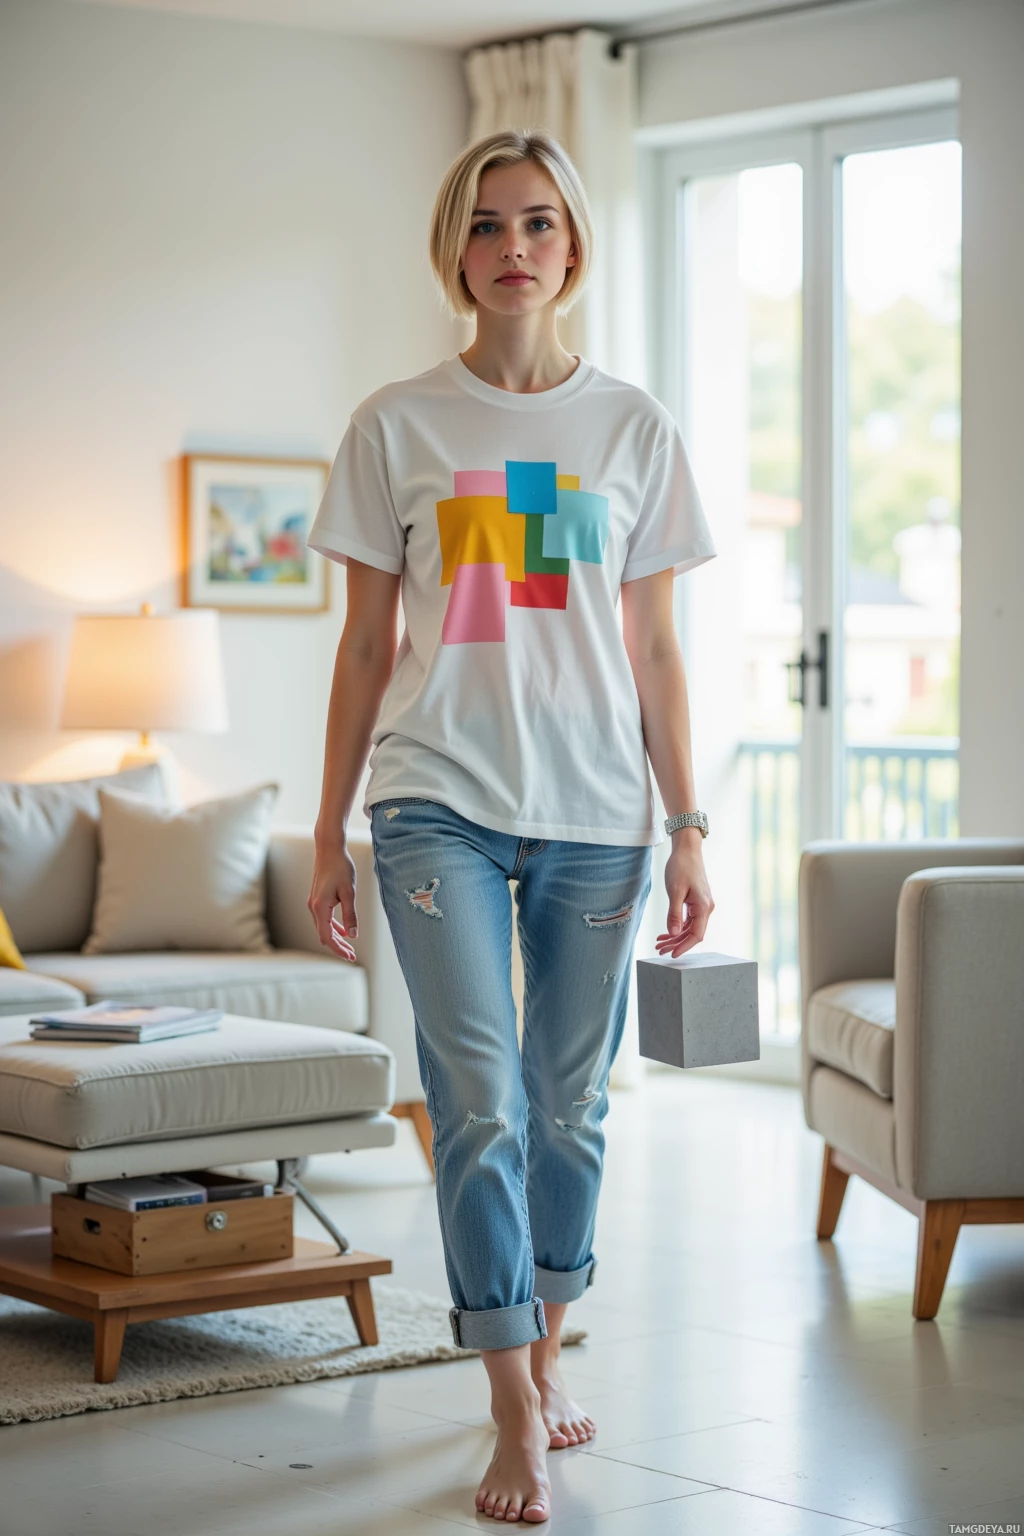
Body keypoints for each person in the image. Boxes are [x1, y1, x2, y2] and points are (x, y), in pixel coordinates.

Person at [306, 128, 716, 1526]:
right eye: (488, 226)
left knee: (571, 1110)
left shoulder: (633, 428)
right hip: (438, 807)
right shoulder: (394, 425)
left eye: (539, 223)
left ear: (573, 246)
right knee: (475, 1104)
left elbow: (656, 654)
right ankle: (511, 1411)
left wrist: (694, 827)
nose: (514, 247)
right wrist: (322, 833)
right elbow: (363, 651)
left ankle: (543, 1357)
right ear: (456, 252)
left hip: (601, 816)